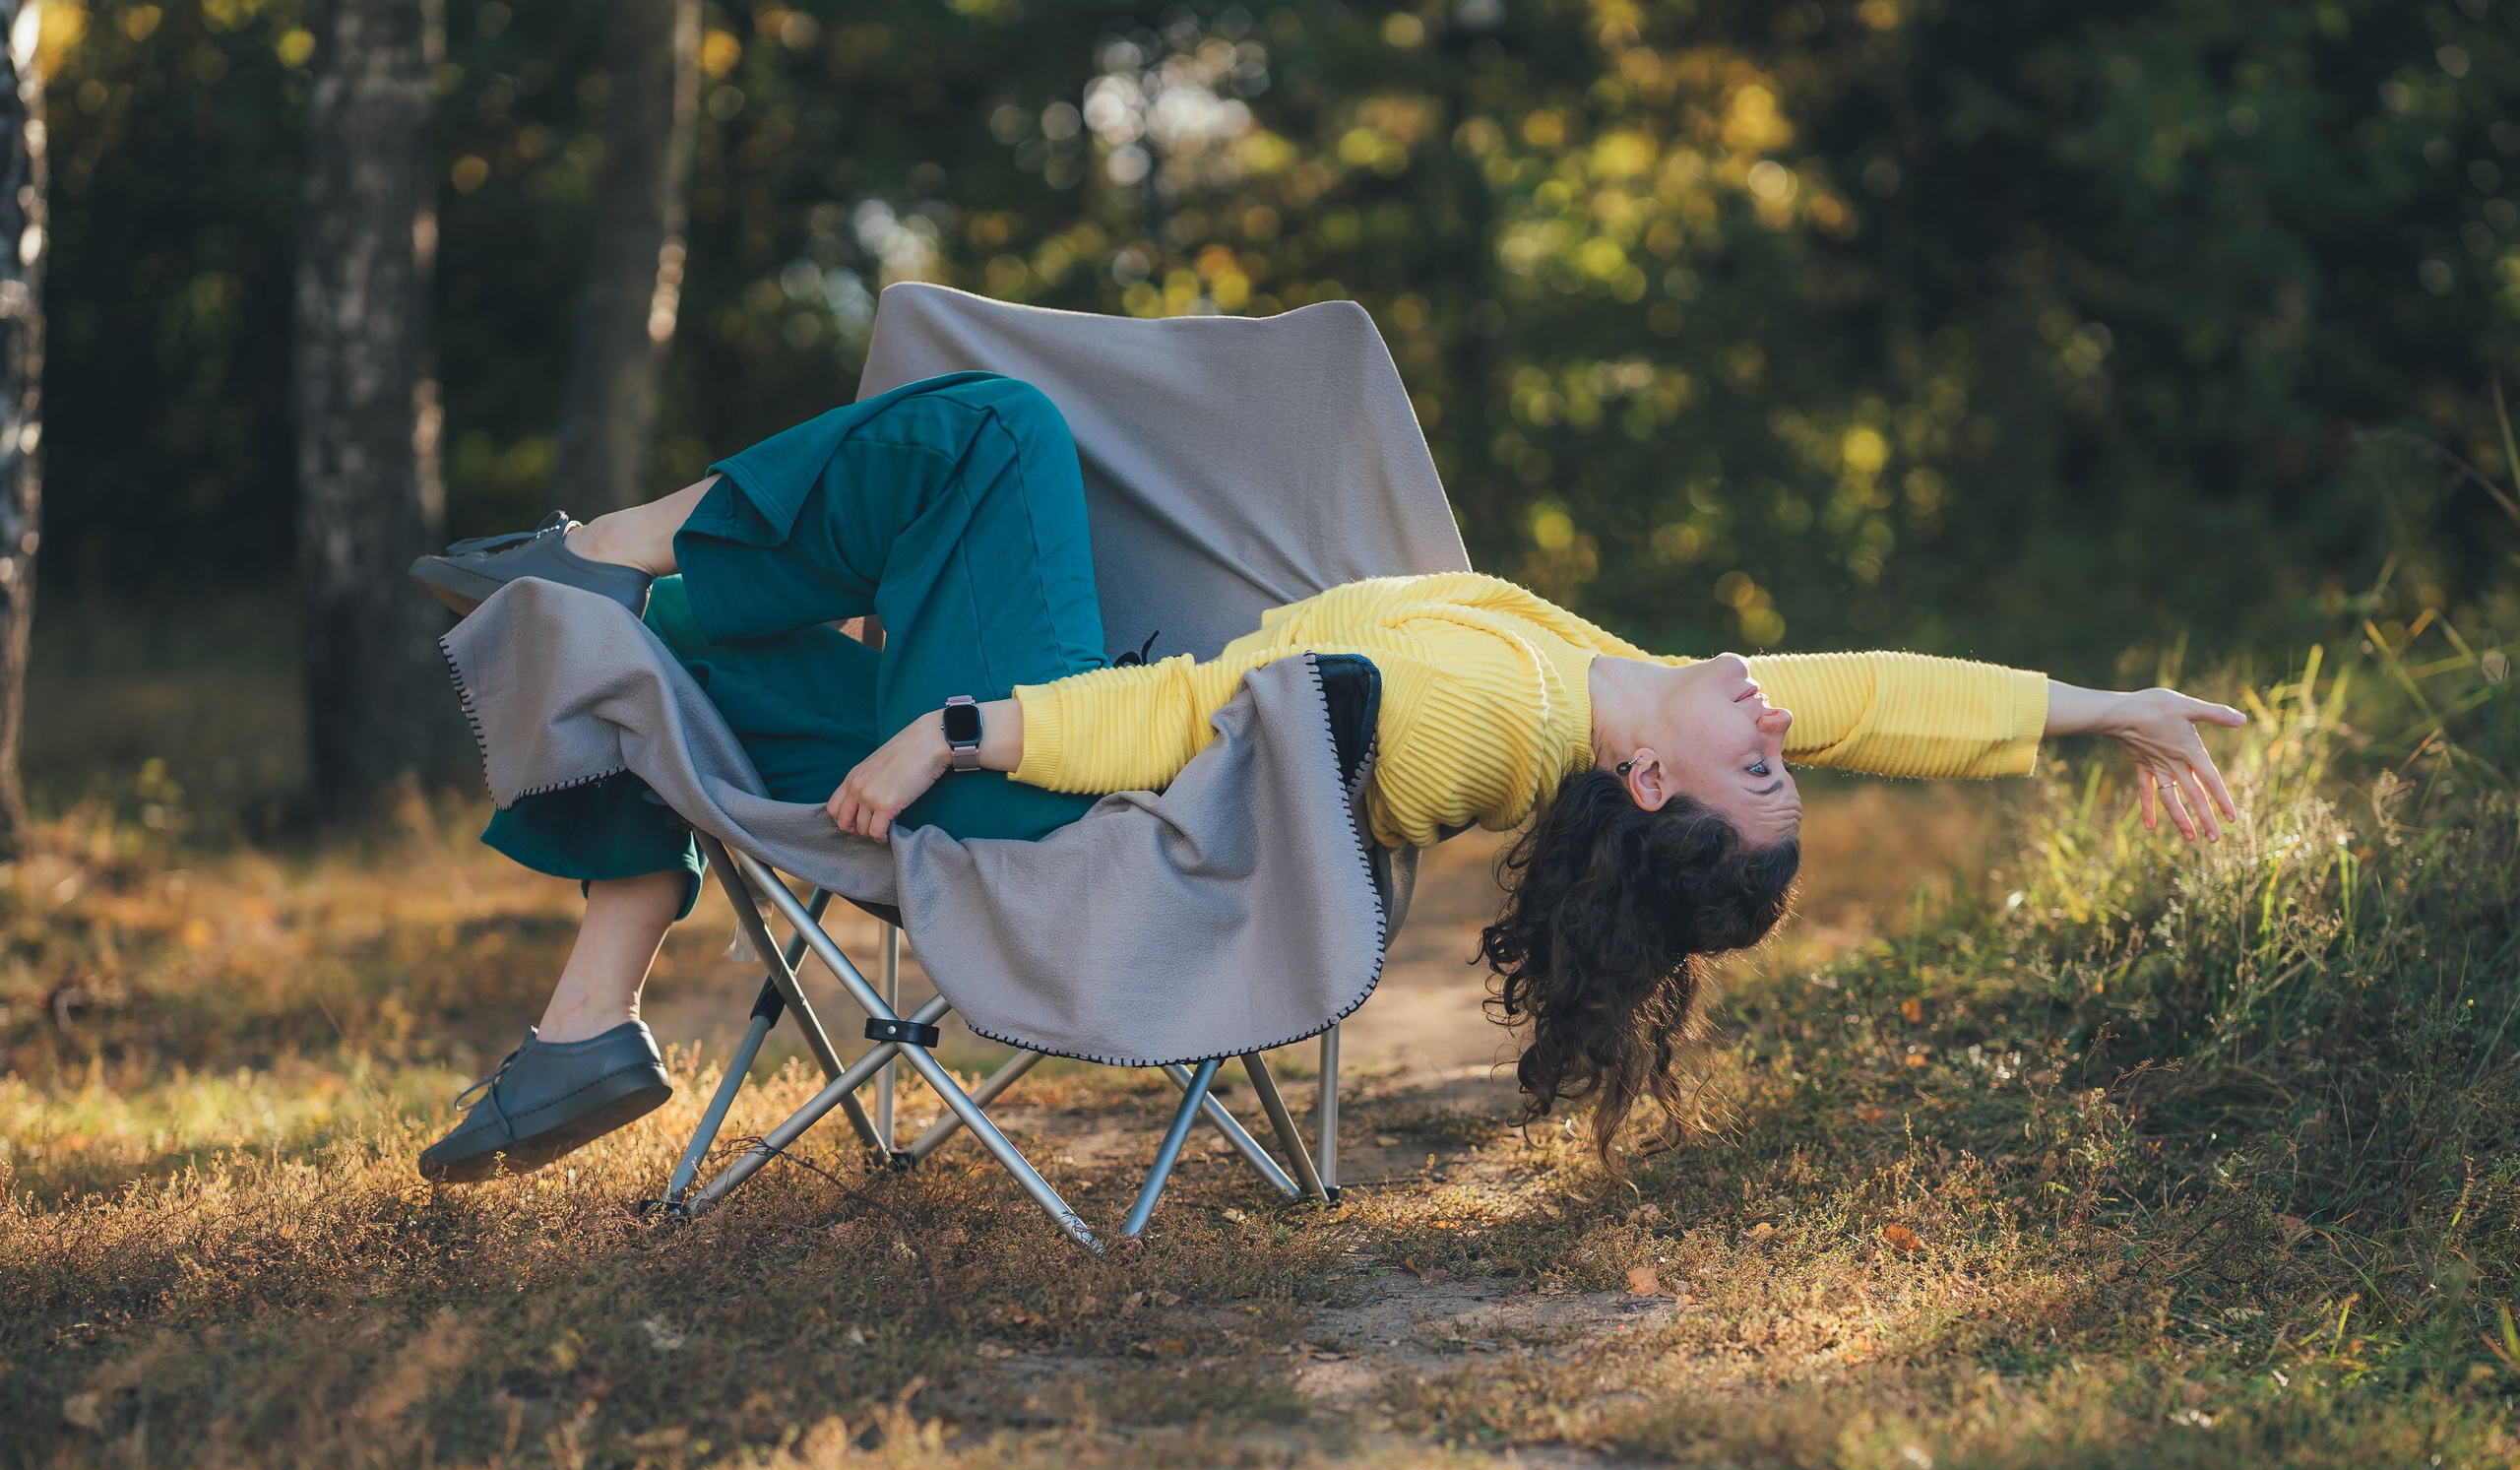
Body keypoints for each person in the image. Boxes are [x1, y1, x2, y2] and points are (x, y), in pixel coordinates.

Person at [410, 373, 2244, 1182]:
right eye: (1790, 759)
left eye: (1764, 768)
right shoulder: (1602, 687)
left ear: (1659, 789)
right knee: (681, 661)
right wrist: (2105, 711)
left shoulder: (1470, 720)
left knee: (991, 429)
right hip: (1050, 778)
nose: (1784, 729)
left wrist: (956, 729)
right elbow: (1877, 691)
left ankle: (599, 542)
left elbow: (1199, 722)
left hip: (1057, 800)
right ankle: (592, 1020)